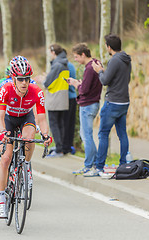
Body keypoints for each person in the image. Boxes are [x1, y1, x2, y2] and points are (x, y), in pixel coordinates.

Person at [0, 59, 52, 218]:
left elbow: (41, 119)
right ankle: (1, 200)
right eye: (20, 79)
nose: (24, 82)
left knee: (29, 138)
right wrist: (3, 132)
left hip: (26, 117)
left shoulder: (36, 91)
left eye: (27, 79)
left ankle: (26, 165)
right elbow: (0, 117)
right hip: (8, 119)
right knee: (6, 158)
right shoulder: (6, 89)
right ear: (13, 79)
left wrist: (46, 134)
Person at [91, 34, 132, 176]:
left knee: (103, 134)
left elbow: (105, 81)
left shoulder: (114, 60)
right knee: (122, 134)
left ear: (109, 47)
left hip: (113, 102)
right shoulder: (127, 59)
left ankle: (99, 167)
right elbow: (127, 79)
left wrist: (100, 71)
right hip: (124, 102)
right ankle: (124, 164)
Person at [67, 43, 103, 176]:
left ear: (83, 54)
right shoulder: (96, 63)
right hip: (93, 103)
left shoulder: (89, 68)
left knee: (86, 135)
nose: (75, 60)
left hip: (87, 105)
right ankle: (93, 163)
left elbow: (84, 90)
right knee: (87, 135)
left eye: (76, 57)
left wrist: (76, 84)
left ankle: (89, 165)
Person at [38, 43, 69, 157]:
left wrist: (43, 80)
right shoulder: (65, 63)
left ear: (53, 53)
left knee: (54, 124)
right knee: (60, 123)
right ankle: (60, 147)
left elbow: (48, 83)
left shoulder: (57, 65)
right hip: (63, 98)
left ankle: (59, 149)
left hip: (55, 98)